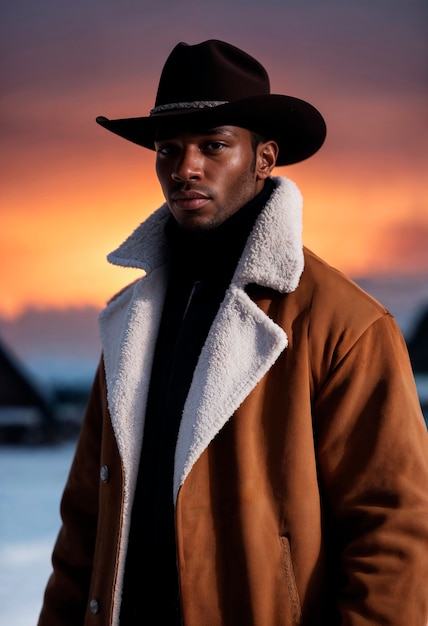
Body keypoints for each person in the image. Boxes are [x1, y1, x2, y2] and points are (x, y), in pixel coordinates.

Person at [38, 40, 428, 626]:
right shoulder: (127, 320)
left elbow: (393, 535)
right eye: (167, 149)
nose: (184, 167)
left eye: (213, 145)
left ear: (264, 158)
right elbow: (84, 531)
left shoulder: (346, 326)